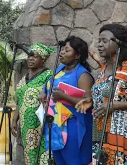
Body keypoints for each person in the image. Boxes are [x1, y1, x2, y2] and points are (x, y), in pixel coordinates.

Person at [75, 23, 127, 164]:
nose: (99, 44)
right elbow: (106, 95)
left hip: (125, 135)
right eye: (99, 40)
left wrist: (115, 106)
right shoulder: (103, 69)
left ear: (119, 44)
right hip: (101, 133)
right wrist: (91, 101)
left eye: (105, 41)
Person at [39, 36, 94, 165]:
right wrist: (42, 94)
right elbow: (46, 87)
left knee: (74, 162)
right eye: (62, 49)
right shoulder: (59, 70)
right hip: (55, 127)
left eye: (67, 50)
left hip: (72, 127)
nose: (62, 52)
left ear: (77, 56)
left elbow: (88, 102)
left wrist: (65, 97)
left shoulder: (82, 75)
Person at [11, 43, 55, 165]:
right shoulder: (24, 78)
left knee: (44, 155)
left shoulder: (48, 75)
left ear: (43, 59)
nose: (30, 58)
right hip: (26, 127)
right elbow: (20, 101)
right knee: (30, 156)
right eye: (29, 56)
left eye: (35, 56)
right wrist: (15, 119)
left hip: (42, 124)